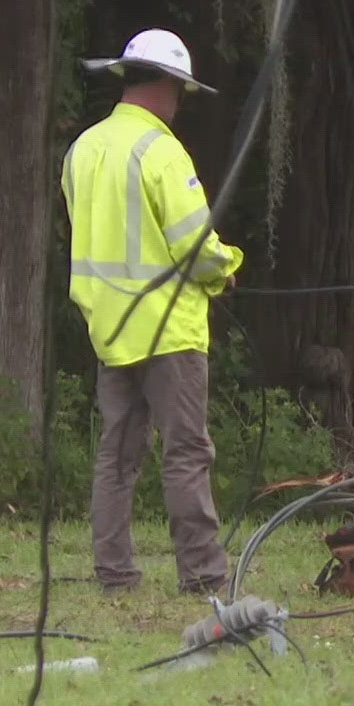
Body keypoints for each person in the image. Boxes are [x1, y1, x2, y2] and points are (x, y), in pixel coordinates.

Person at [66, 29, 243, 594]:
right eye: (181, 90)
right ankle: (204, 575)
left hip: (109, 327)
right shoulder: (161, 150)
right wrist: (227, 267)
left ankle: (114, 573)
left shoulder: (81, 150)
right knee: (186, 452)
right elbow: (194, 246)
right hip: (169, 330)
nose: (180, 102)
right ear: (167, 85)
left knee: (116, 456)